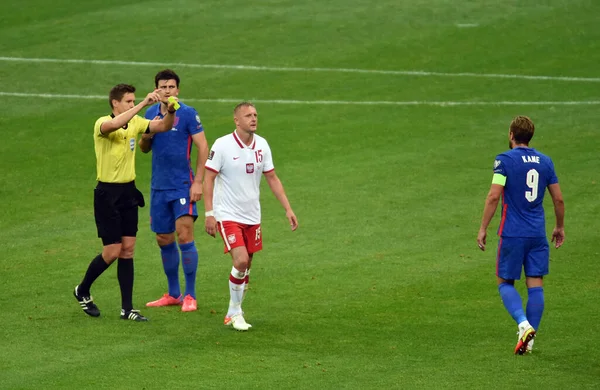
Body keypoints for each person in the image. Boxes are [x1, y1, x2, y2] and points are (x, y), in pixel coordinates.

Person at [73, 83, 179, 322]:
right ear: (115, 103)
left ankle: (127, 309)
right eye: (129, 101)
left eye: (133, 101)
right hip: (107, 195)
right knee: (112, 251)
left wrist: (170, 110)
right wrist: (144, 104)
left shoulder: (136, 122)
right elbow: (114, 125)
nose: (133, 104)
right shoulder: (101, 123)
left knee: (128, 250)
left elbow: (162, 126)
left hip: (128, 192)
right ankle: (82, 289)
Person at [203, 102, 298, 331]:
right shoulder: (222, 145)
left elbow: (272, 177)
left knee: (247, 267)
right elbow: (208, 179)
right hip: (228, 214)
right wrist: (209, 213)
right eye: (248, 115)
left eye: (255, 114)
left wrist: (288, 208)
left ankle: (233, 310)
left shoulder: (262, 145)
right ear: (237, 120)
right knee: (241, 261)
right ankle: (236, 313)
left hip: (252, 216)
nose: (253, 118)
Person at [477, 115, 565, 354]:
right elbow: (558, 198)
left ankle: (524, 325)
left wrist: (483, 227)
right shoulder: (546, 162)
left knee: (504, 282)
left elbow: (494, 195)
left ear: (511, 135)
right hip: (537, 234)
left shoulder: (503, 161)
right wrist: (559, 226)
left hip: (513, 233)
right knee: (535, 284)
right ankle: (529, 342)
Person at [139, 69, 209, 312]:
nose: (167, 91)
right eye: (162, 87)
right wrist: (146, 137)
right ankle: (173, 293)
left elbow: (203, 146)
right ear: (156, 90)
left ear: (177, 90)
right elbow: (144, 149)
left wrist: (198, 182)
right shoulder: (149, 113)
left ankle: (190, 295)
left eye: (171, 87)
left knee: (184, 234)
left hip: (182, 184)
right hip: (158, 186)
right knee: (163, 238)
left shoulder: (188, 114)